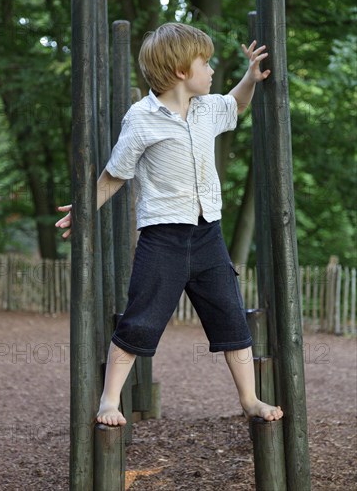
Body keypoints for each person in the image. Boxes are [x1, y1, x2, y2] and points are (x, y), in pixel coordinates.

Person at [56, 23, 283, 427]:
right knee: (140, 320)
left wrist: (250, 78)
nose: (211, 70)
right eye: (205, 62)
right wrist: (83, 210)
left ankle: (250, 399)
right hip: (163, 239)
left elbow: (236, 104)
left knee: (231, 315)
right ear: (181, 69)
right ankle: (110, 400)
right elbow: (114, 176)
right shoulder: (142, 119)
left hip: (208, 234)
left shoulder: (207, 108)